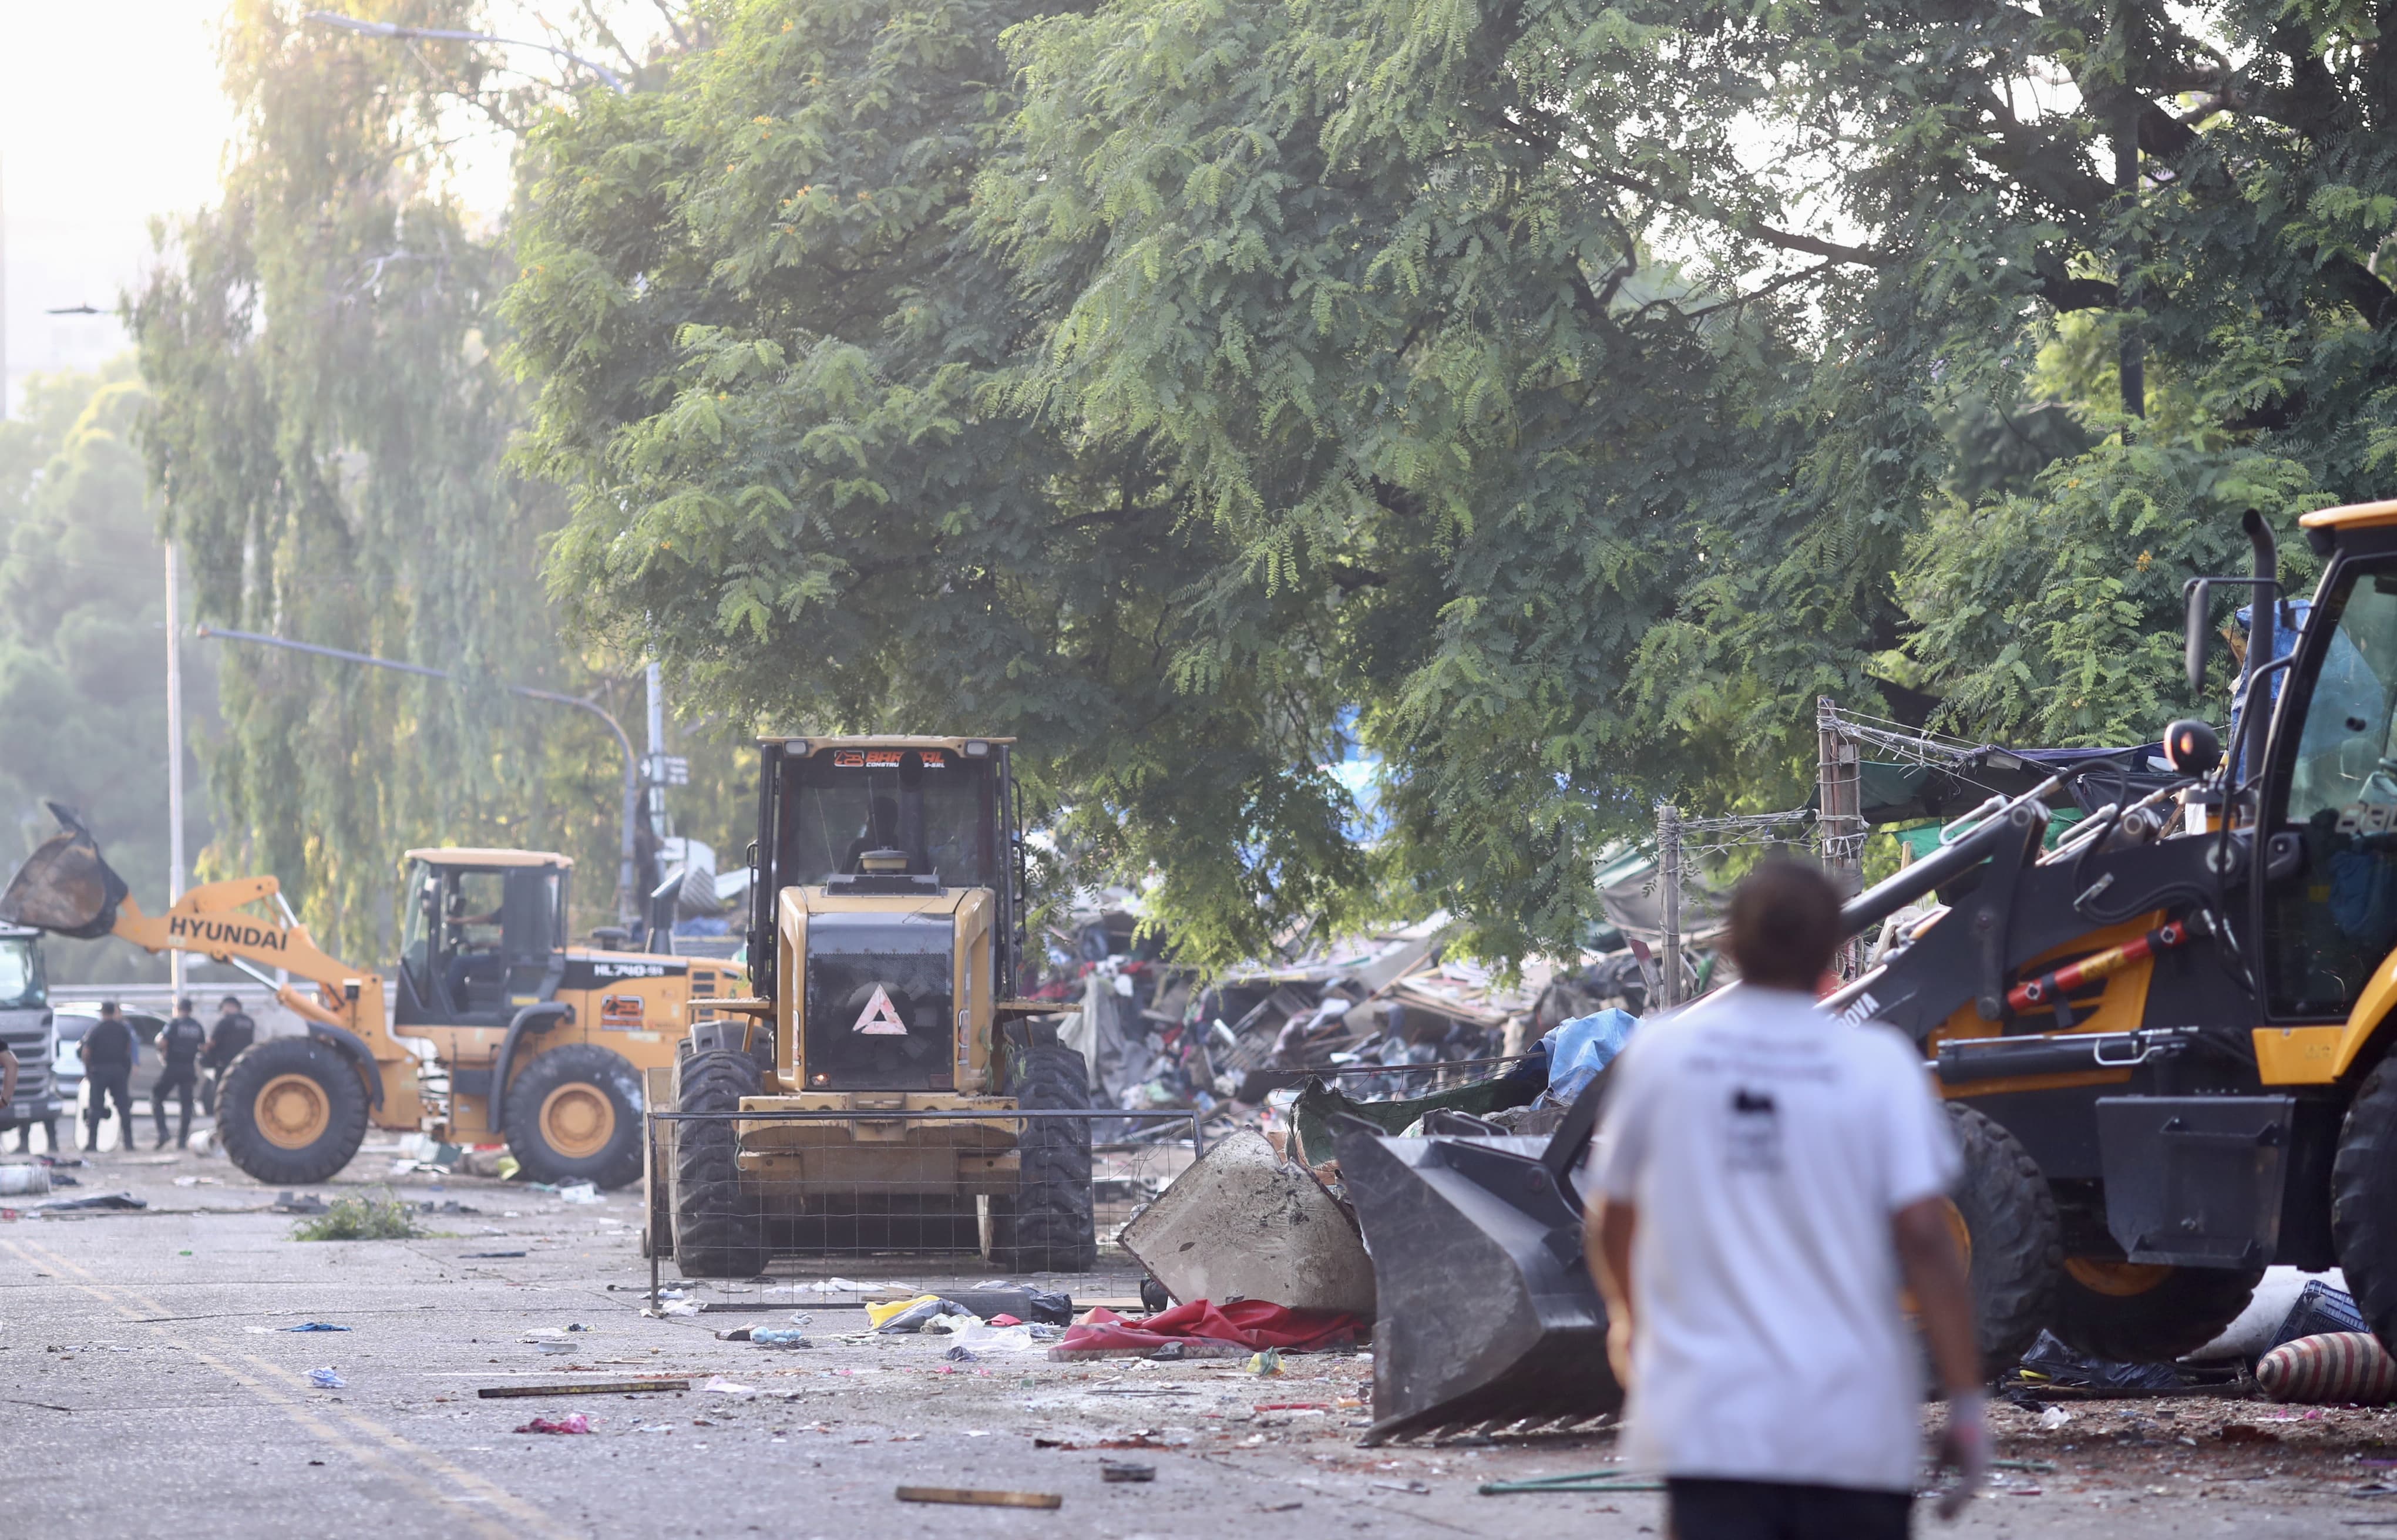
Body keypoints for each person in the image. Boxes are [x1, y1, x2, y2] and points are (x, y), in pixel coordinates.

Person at [1589, 859, 1986, 1539]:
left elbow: (1613, 1221)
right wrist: (1966, 1406)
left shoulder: (1664, 1055)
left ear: (1730, 943)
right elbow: (1924, 1238)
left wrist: (1631, 1324)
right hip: (1853, 1426)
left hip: (1712, 1423)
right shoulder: (1877, 1065)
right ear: (1832, 948)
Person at [79, 1001, 137, 1152]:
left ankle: (92, 1144)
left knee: (95, 1108)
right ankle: (129, 1143)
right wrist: (125, 1070)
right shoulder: (123, 1029)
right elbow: (128, 1050)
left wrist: (88, 1070)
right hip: (118, 1071)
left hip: (99, 1071)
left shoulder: (96, 1029)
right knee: (124, 1108)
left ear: (103, 1012)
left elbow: (86, 1052)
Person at [153, 997, 207, 1149]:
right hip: (189, 1068)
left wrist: (159, 1047)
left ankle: (163, 1132)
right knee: (186, 1105)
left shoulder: (174, 1024)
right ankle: (182, 1140)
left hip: (173, 1067)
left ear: (178, 1009)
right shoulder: (197, 1026)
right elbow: (203, 1047)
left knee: (157, 1098)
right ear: (191, 1010)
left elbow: (163, 1042)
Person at [200, 995, 255, 1112]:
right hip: (245, 1064)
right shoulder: (249, 1022)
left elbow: (212, 1042)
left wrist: (203, 1050)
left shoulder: (225, 1021)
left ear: (228, 1006)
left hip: (225, 1064)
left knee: (223, 1094)